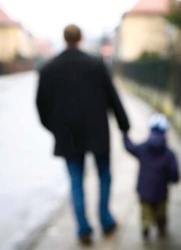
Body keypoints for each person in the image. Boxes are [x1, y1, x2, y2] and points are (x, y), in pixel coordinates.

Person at [36, 24, 130, 244]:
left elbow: (41, 105)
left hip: (67, 134)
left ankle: (83, 229)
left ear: (64, 38)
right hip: (97, 131)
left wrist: (53, 127)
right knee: (104, 175)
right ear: (80, 38)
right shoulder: (96, 65)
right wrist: (124, 125)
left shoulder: (49, 68)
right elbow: (112, 96)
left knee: (76, 181)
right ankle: (106, 220)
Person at [123, 113, 180, 239]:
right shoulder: (169, 154)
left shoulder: (143, 148)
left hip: (144, 190)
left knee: (145, 211)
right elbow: (174, 173)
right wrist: (174, 179)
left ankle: (145, 226)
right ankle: (161, 227)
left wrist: (124, 134)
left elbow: (130, 147)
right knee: (161, 213)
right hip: (161, 191)